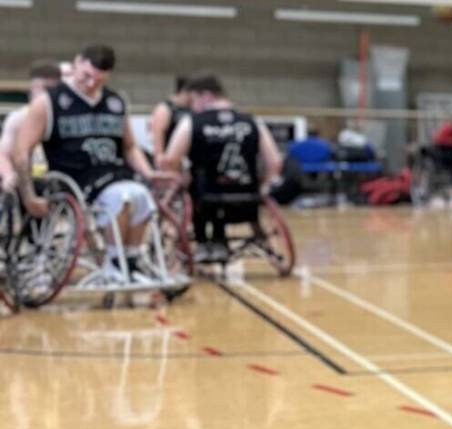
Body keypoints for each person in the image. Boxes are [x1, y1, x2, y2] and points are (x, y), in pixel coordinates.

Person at [6, 46, 163, 270]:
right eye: (86, 76)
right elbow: (21, 151)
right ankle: (114, 259)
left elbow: (129, 147)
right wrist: (29, 195)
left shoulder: (115, 102)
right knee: (122, 197)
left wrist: (149, 173)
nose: (90, 84)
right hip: (71, 179)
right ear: (77, 63)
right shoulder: (48, 102)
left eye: (98, 80)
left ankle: (130, 256)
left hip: (112, 174)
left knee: (142, 196)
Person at [161, 73, 282, 258]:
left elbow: (170, 161)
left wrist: (179, 175)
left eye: (193, 100)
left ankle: (203, 241)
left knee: (194, 182)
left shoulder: (192, 122)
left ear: (205, 95)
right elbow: (274, 161)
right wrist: (262, 185)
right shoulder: (252, 122)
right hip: (247, 198)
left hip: (205, 198)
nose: (193, 106)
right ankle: (220, 239)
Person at [0, 61, 61, 199]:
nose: (41, 94)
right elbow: (2, 153)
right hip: (27, 179)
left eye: (47, 89)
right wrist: (8, 174)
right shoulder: (18, 118)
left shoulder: (63, 118)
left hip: (56, 180)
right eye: (37, 88)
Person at [147, 77, 190, 161]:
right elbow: (158, 134)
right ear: (184, 92)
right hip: (169, 156)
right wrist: (159, 156)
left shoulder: (191, 108)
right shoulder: (165, 108)